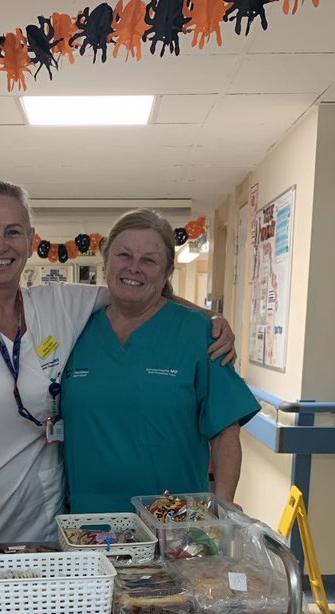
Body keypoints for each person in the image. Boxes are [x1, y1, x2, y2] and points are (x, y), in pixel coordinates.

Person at [0, 182, 237, 543]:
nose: (1, 245)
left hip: (46, 528)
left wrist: (211, 321)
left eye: (14, 231)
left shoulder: (57, 304)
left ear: (30, 238)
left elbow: (138, 291)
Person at [60, 208, 261, 513]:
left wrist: (223, 503)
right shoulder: (74, 328)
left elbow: (225, 430)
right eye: (124, 255)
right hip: (89, 524)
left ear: (167, 272)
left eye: (149, 260)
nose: (134, 267)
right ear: (106, 261)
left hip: (175, 525)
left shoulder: (201, 335)